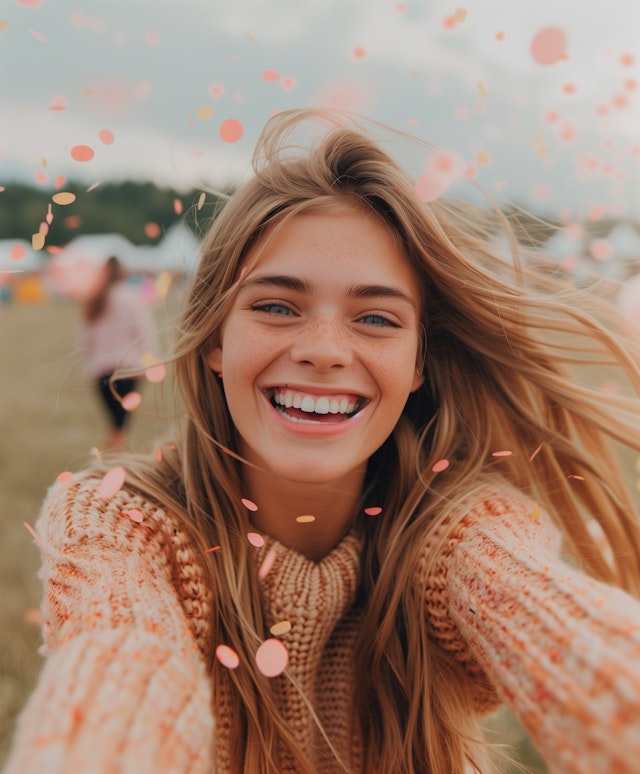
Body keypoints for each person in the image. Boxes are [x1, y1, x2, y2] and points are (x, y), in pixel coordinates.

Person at [5, 109, 640, 774]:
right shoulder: (119, 527)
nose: (324, 351)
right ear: (217, 336)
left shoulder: (455, 532)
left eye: (375, 317)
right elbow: (116, 681)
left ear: (420, 360)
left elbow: (575, 639)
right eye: (277, 306)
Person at [78, 255, 158, 450]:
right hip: (128, 370)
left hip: (101, 373)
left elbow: (85, 340)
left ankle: (114, 465)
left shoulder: (96, 298)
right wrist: (149, 362)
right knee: (119, 426)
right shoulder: (131, 297)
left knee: (116, 425)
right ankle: (115, 466)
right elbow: (145, 332)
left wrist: (90, 364)